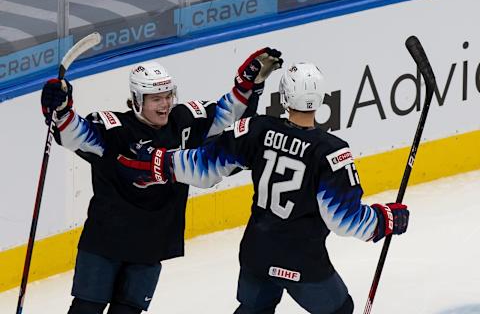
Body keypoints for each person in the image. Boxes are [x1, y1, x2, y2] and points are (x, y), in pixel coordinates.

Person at [125, 62, 410, 313]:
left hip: (256, 253)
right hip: (301, 259)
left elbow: (206, 166)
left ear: (285, 97)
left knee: (253, 309)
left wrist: (160, 162)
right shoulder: (331, 152)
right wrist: (383, 219)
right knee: (339, 309)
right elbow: (344, 221)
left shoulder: (256, 129)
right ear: (320, 99)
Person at [39, 48, 283, 314]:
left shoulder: (185, 120)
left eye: (168, 96)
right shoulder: (113, 129)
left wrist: (248, 84)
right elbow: (75, 133)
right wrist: (61, 109)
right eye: (156, 99)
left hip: (151, 244)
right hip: (106, 241)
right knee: (86, 308)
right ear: (136, 99)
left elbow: (228, 113)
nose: (165, 105)